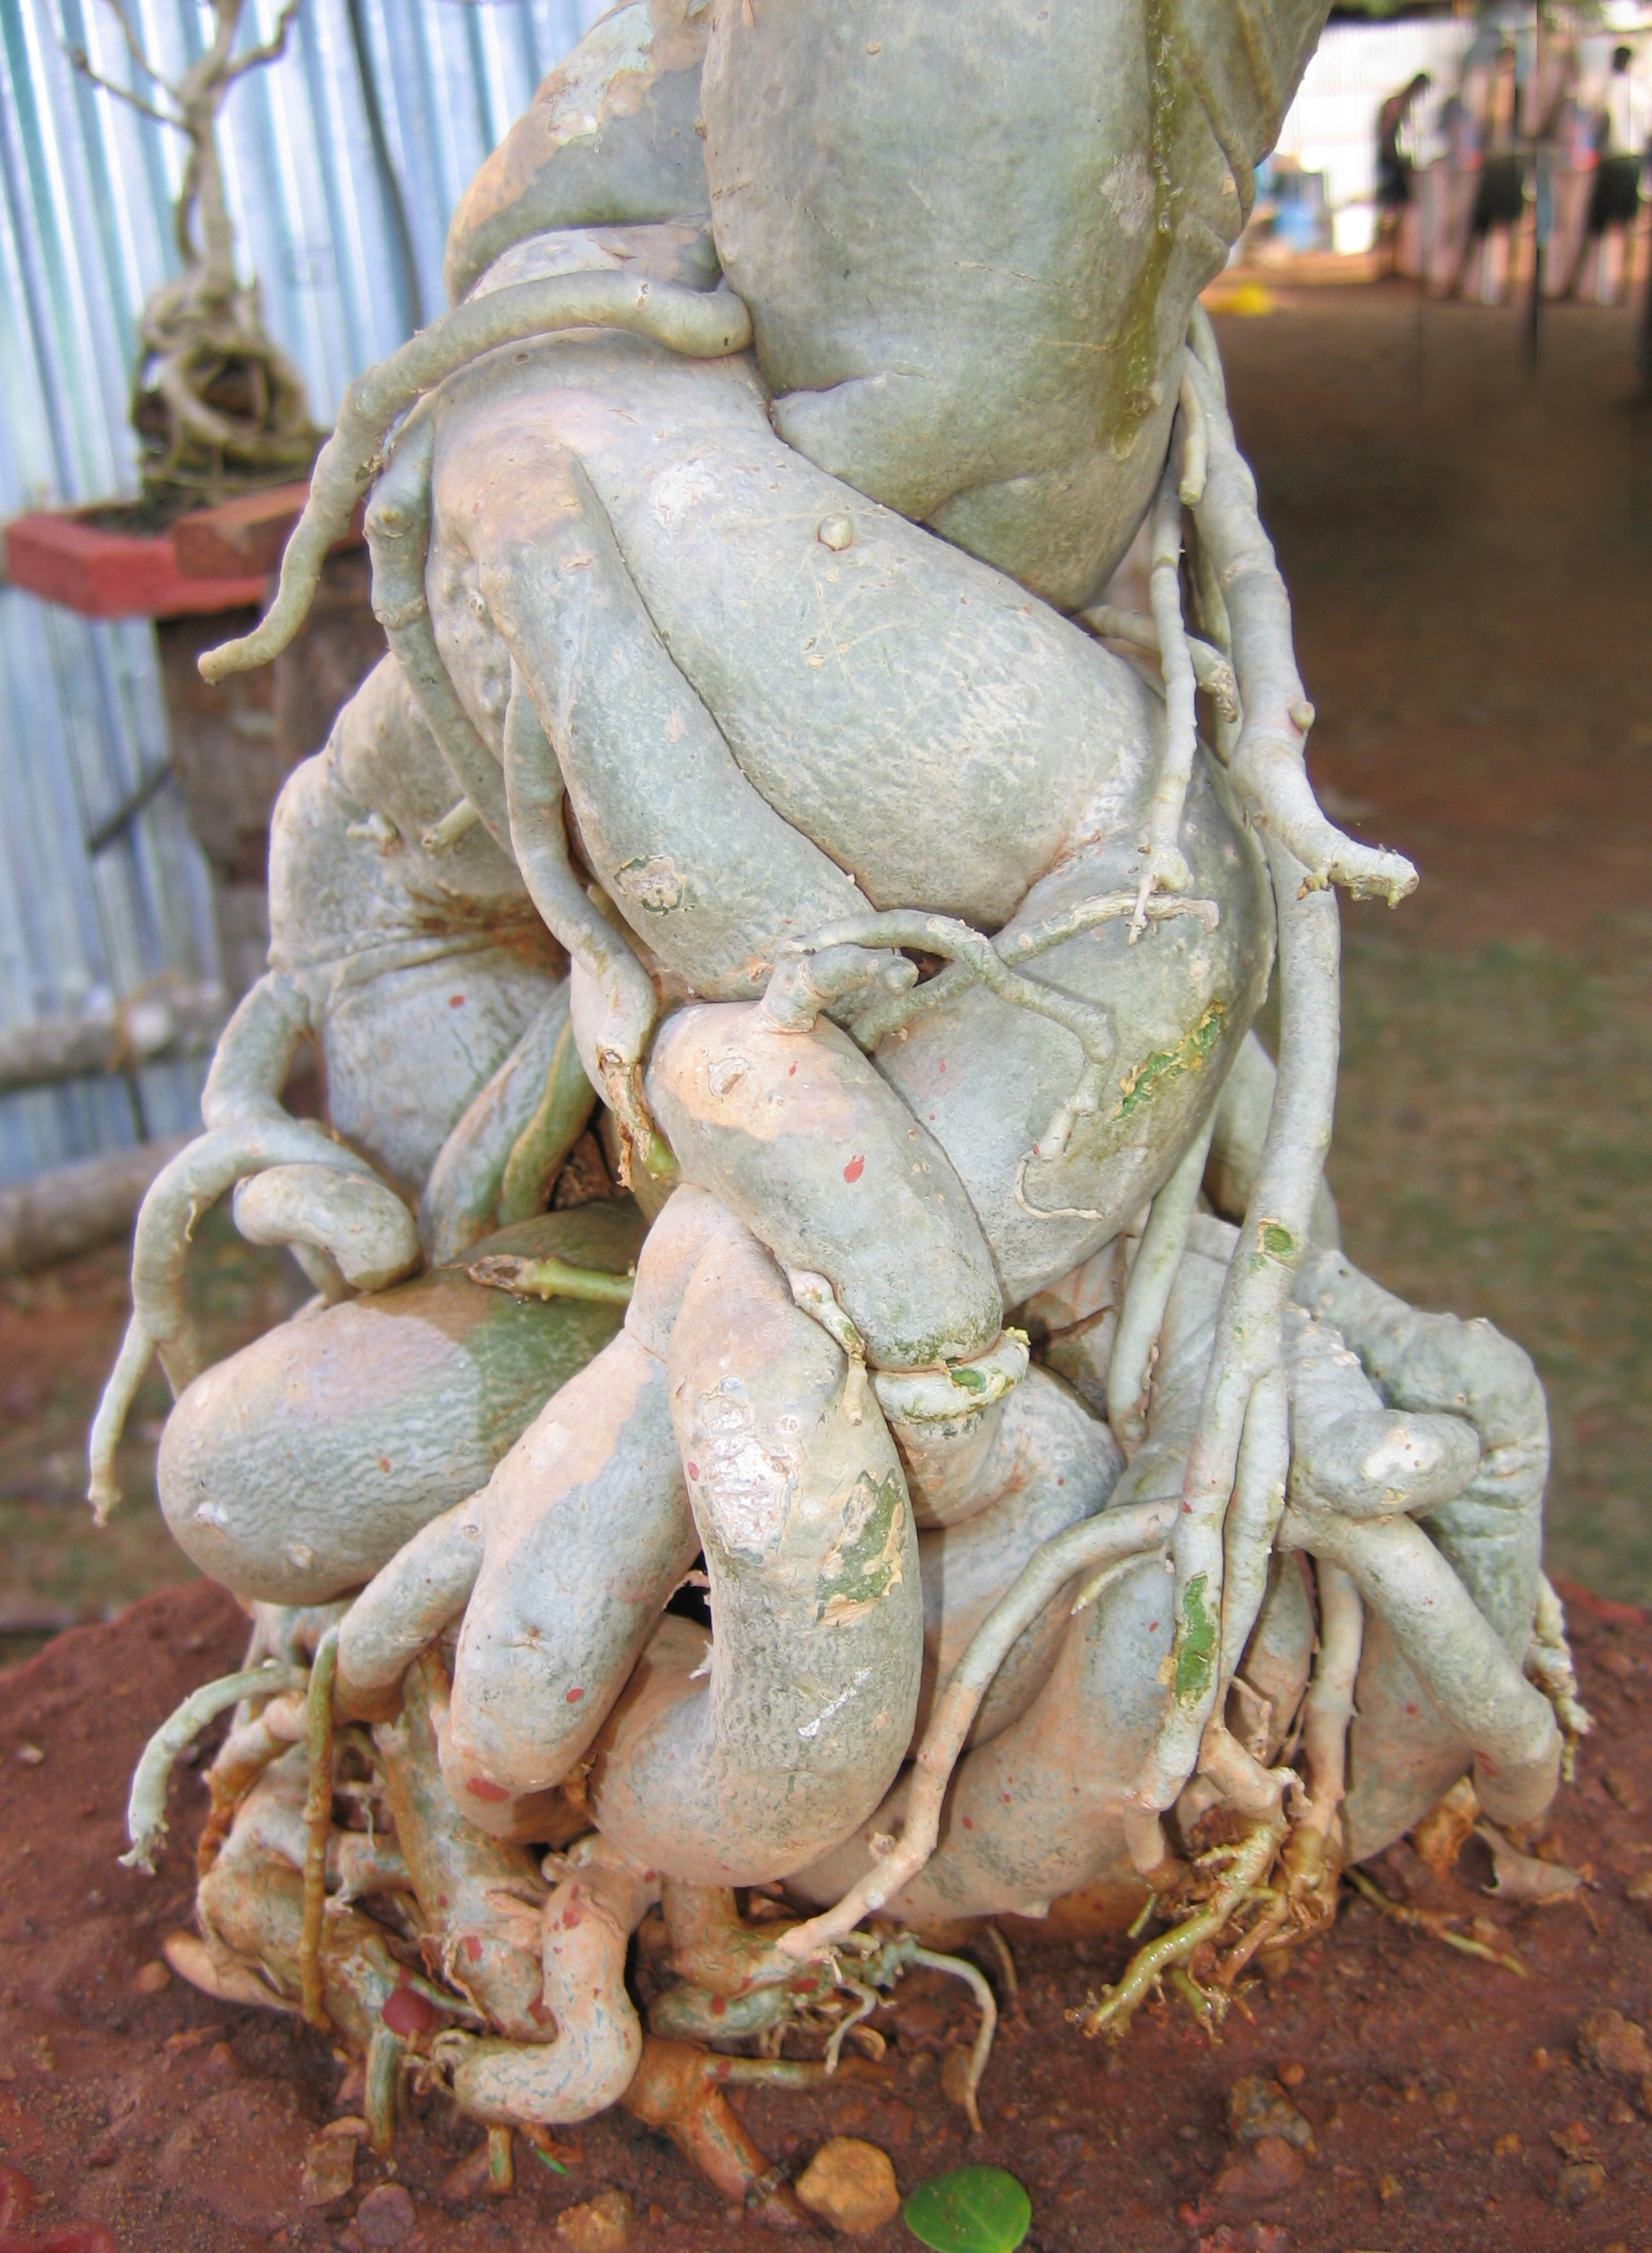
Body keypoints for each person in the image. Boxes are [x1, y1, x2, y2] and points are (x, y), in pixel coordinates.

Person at [1580, 46, 1650, 303]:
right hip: (1631, 160)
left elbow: (1595, 125)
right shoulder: (1639, 91)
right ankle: (1629, 287)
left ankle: (1601, 288)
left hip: (1609, 160)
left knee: (1603, 226)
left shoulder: (1605, 91)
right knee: (1630, 224)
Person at [1375, 72, 1430, 270]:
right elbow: (1387, 138)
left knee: (1397, 211)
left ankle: (1393, 260)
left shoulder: (1406, 108)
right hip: (1390, 165)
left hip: (1395, 163)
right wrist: (1397, 161)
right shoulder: (1396, 106)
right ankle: (1384, 258)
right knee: (1389, 211)